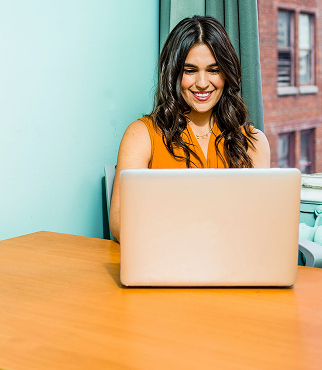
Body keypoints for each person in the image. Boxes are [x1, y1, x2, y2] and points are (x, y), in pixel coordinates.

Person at [109, 15, 270, 241]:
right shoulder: (141, 135)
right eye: (190, 70)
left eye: (214, 70)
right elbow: (120, 225)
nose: (202, 83)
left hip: (233, 266)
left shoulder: (253, 142)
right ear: (174, 73)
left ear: (227, 73)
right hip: (164, 260)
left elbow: (259, 225)